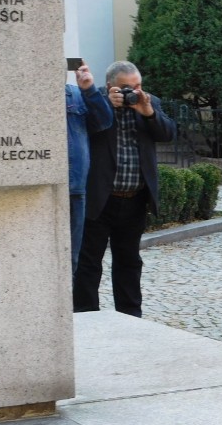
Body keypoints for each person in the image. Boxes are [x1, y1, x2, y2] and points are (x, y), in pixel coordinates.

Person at [73, 61, 176, 317]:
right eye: (126, 88)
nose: (134, 92)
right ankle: (87, 315)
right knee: (88, 263)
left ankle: (131, 317)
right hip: (100, 199)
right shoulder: (95, 102)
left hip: (134, 199)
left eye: (138, 86)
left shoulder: (148, 102)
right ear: (110, 86)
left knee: (129, 262)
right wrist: (106, 103)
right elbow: (91, 125)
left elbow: (168, 133)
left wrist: (149, 111)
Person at [66, 64, 114, 275]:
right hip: (42, 186)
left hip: (74, 190)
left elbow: (104, 121)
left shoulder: (76, 94)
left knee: (71, 260)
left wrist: (89, 89)